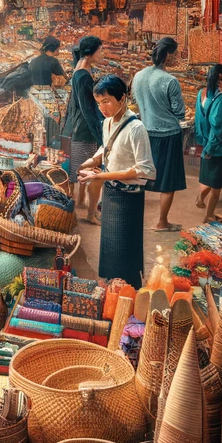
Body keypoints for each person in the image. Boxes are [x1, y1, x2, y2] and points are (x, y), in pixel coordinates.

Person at [77, 74, 156, 288]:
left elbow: (146, 170)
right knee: (110, 247)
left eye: (107, 101)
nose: (102, 107)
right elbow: (107, 146)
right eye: (99, 103)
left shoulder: (136, 129)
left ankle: (128, 293)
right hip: (111, 194)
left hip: (129, 198)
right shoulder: (108, 122)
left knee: (125, 251)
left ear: (122, 99)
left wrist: (100, 175)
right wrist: (91, 161)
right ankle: (110, 286)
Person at [132, 37, 187, 232]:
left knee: (140, 177)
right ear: (169, 55)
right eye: (176, 54)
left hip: (146, 132)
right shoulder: (170, 81)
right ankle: (162, 222)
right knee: (167, 181)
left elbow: (134, 100)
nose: (177, 58)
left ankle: (134, 218)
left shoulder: (138, 76)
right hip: (168, 135)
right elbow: (179, 112)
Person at [64, 35, 105, 223]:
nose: (102, 54)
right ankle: (88, 211)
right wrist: (99, 130)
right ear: (92, 52)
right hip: (84, 127)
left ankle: (81, 203)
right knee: (89, 170)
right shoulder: (83, 75)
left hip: (80, 125)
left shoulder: (80, 68)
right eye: (100, 50)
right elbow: (87, 108)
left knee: (82, 167)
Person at [195, 64, 222, 223]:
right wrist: (211, 148)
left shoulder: (201, 93)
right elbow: (217, 127)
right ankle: (209, 215)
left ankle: (200, 198)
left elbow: (199, 120)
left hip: (205, 143)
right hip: (217, 147)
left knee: (209, 178)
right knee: (217, 185)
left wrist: (204, 145)